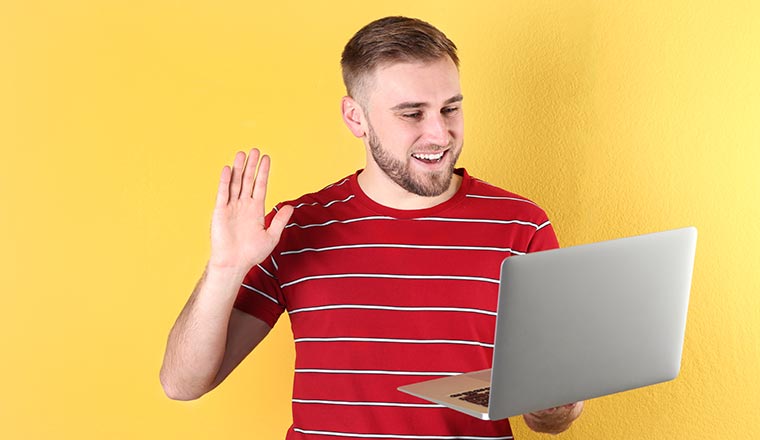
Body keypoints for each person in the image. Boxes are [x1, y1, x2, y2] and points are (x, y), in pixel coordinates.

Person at [160, 16, 583, 439]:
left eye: (450, 108)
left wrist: (557, 405)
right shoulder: (294, 227)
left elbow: (548, 417)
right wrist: (225, 268)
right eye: (412, 114)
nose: (439, 133)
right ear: (355, 118)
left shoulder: (520, 226)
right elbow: (182, 384)